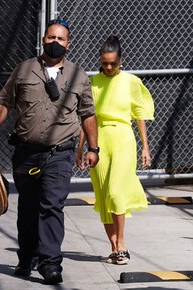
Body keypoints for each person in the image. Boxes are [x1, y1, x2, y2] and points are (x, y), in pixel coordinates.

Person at [0, 17, 99, 284]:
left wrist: (93, 148)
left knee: (52, 205)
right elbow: (3, 105)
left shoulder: (79, 76)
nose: (55, 43)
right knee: (28, 208)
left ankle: (51, 263)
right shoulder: (24, 70)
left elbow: (88, 115)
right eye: (51, 38)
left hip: (60, 154)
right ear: (43, 40)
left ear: (69, 44)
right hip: (26, 152)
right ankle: (26, 257)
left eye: (60, 39)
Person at [76, 35, 154, 265]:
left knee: (116, 192)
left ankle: (122, 244)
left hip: (122, 138)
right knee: (102, 195)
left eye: (113, 63)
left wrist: (145, 147)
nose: (108, 67)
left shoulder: (131, 81)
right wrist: (80, 148)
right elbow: (87, 117)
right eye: (104, 63)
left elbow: (139, 114)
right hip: (98, 140)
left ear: (121, 59)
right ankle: (113, 247)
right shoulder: (93, 83)